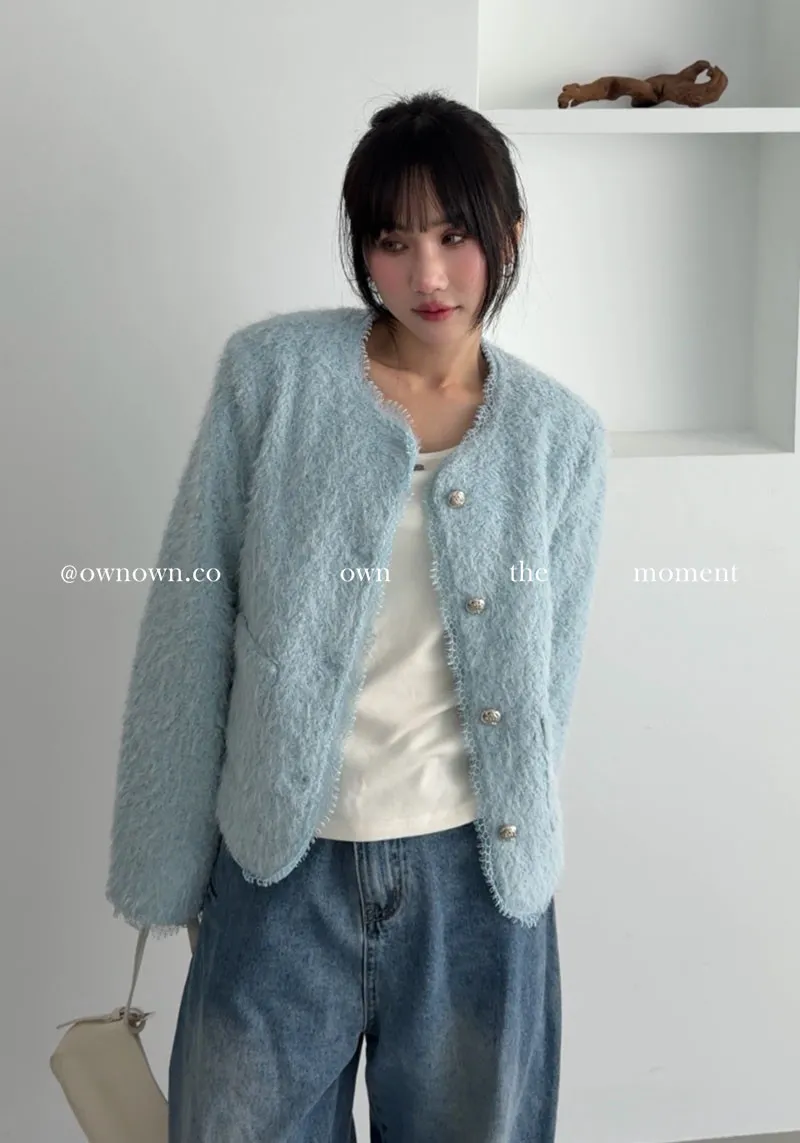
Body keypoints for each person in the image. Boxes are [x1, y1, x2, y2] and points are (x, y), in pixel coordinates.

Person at [106, 90, 608, 1142]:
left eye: (455, 235)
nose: (427, 274)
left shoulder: (559, 437)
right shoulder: (272, 379)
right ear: (361, 249)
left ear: (509, 235)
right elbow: (189, 624)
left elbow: (547, 684)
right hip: (282, 867)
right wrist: (171, 862)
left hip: (475, 885)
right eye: (392, 240)